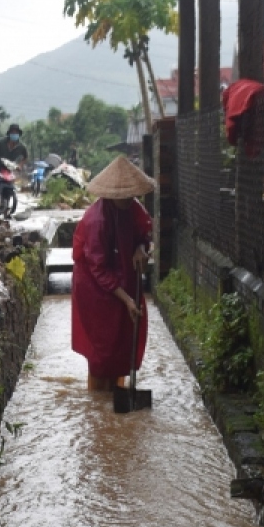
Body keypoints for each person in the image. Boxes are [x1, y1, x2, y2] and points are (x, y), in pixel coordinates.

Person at [71, 156, 156, 392]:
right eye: (124, 197)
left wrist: (141, 248)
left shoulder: (134, 208)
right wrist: (127, 299)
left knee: (123, 337)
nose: (129, 200)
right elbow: (98, 268)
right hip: (94, 288)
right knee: (102, 345)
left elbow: (144, 233)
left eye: (132, 196)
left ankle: (117, 390)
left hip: (124, 276)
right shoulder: (96, 220)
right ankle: (99, 397)